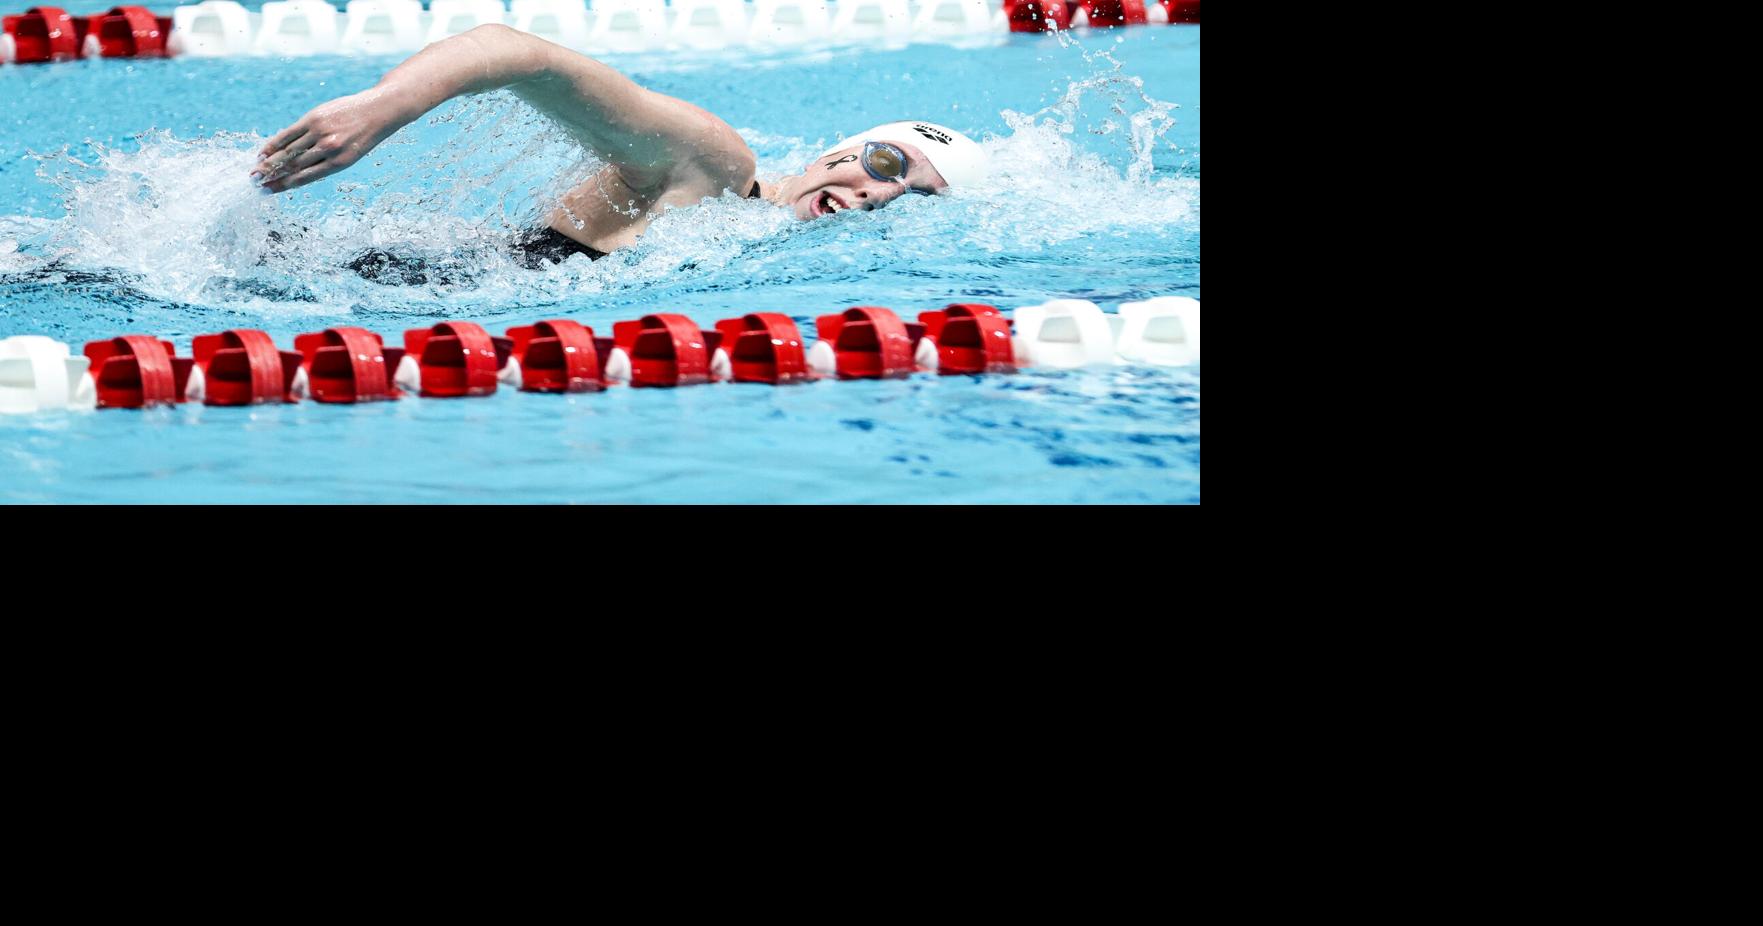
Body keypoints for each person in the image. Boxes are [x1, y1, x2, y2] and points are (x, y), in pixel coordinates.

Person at [252, 24, 988, 270]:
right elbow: (513, 51)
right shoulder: (713, 166)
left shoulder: (767, 244)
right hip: (375, 286)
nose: (882, 192)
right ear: (839, 153)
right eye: (888, 164)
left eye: (914, 196)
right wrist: (385, 107)